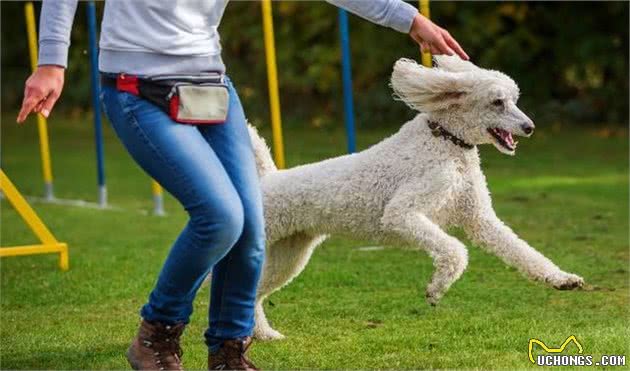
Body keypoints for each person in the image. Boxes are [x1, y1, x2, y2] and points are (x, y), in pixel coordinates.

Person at [17, 1, 468, 370]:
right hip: (136, 89)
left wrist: (409, 17)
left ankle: (230, 352)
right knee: (219, 216)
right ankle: (155, 335)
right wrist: (52, 61)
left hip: (209, 86)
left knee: (253, 223)